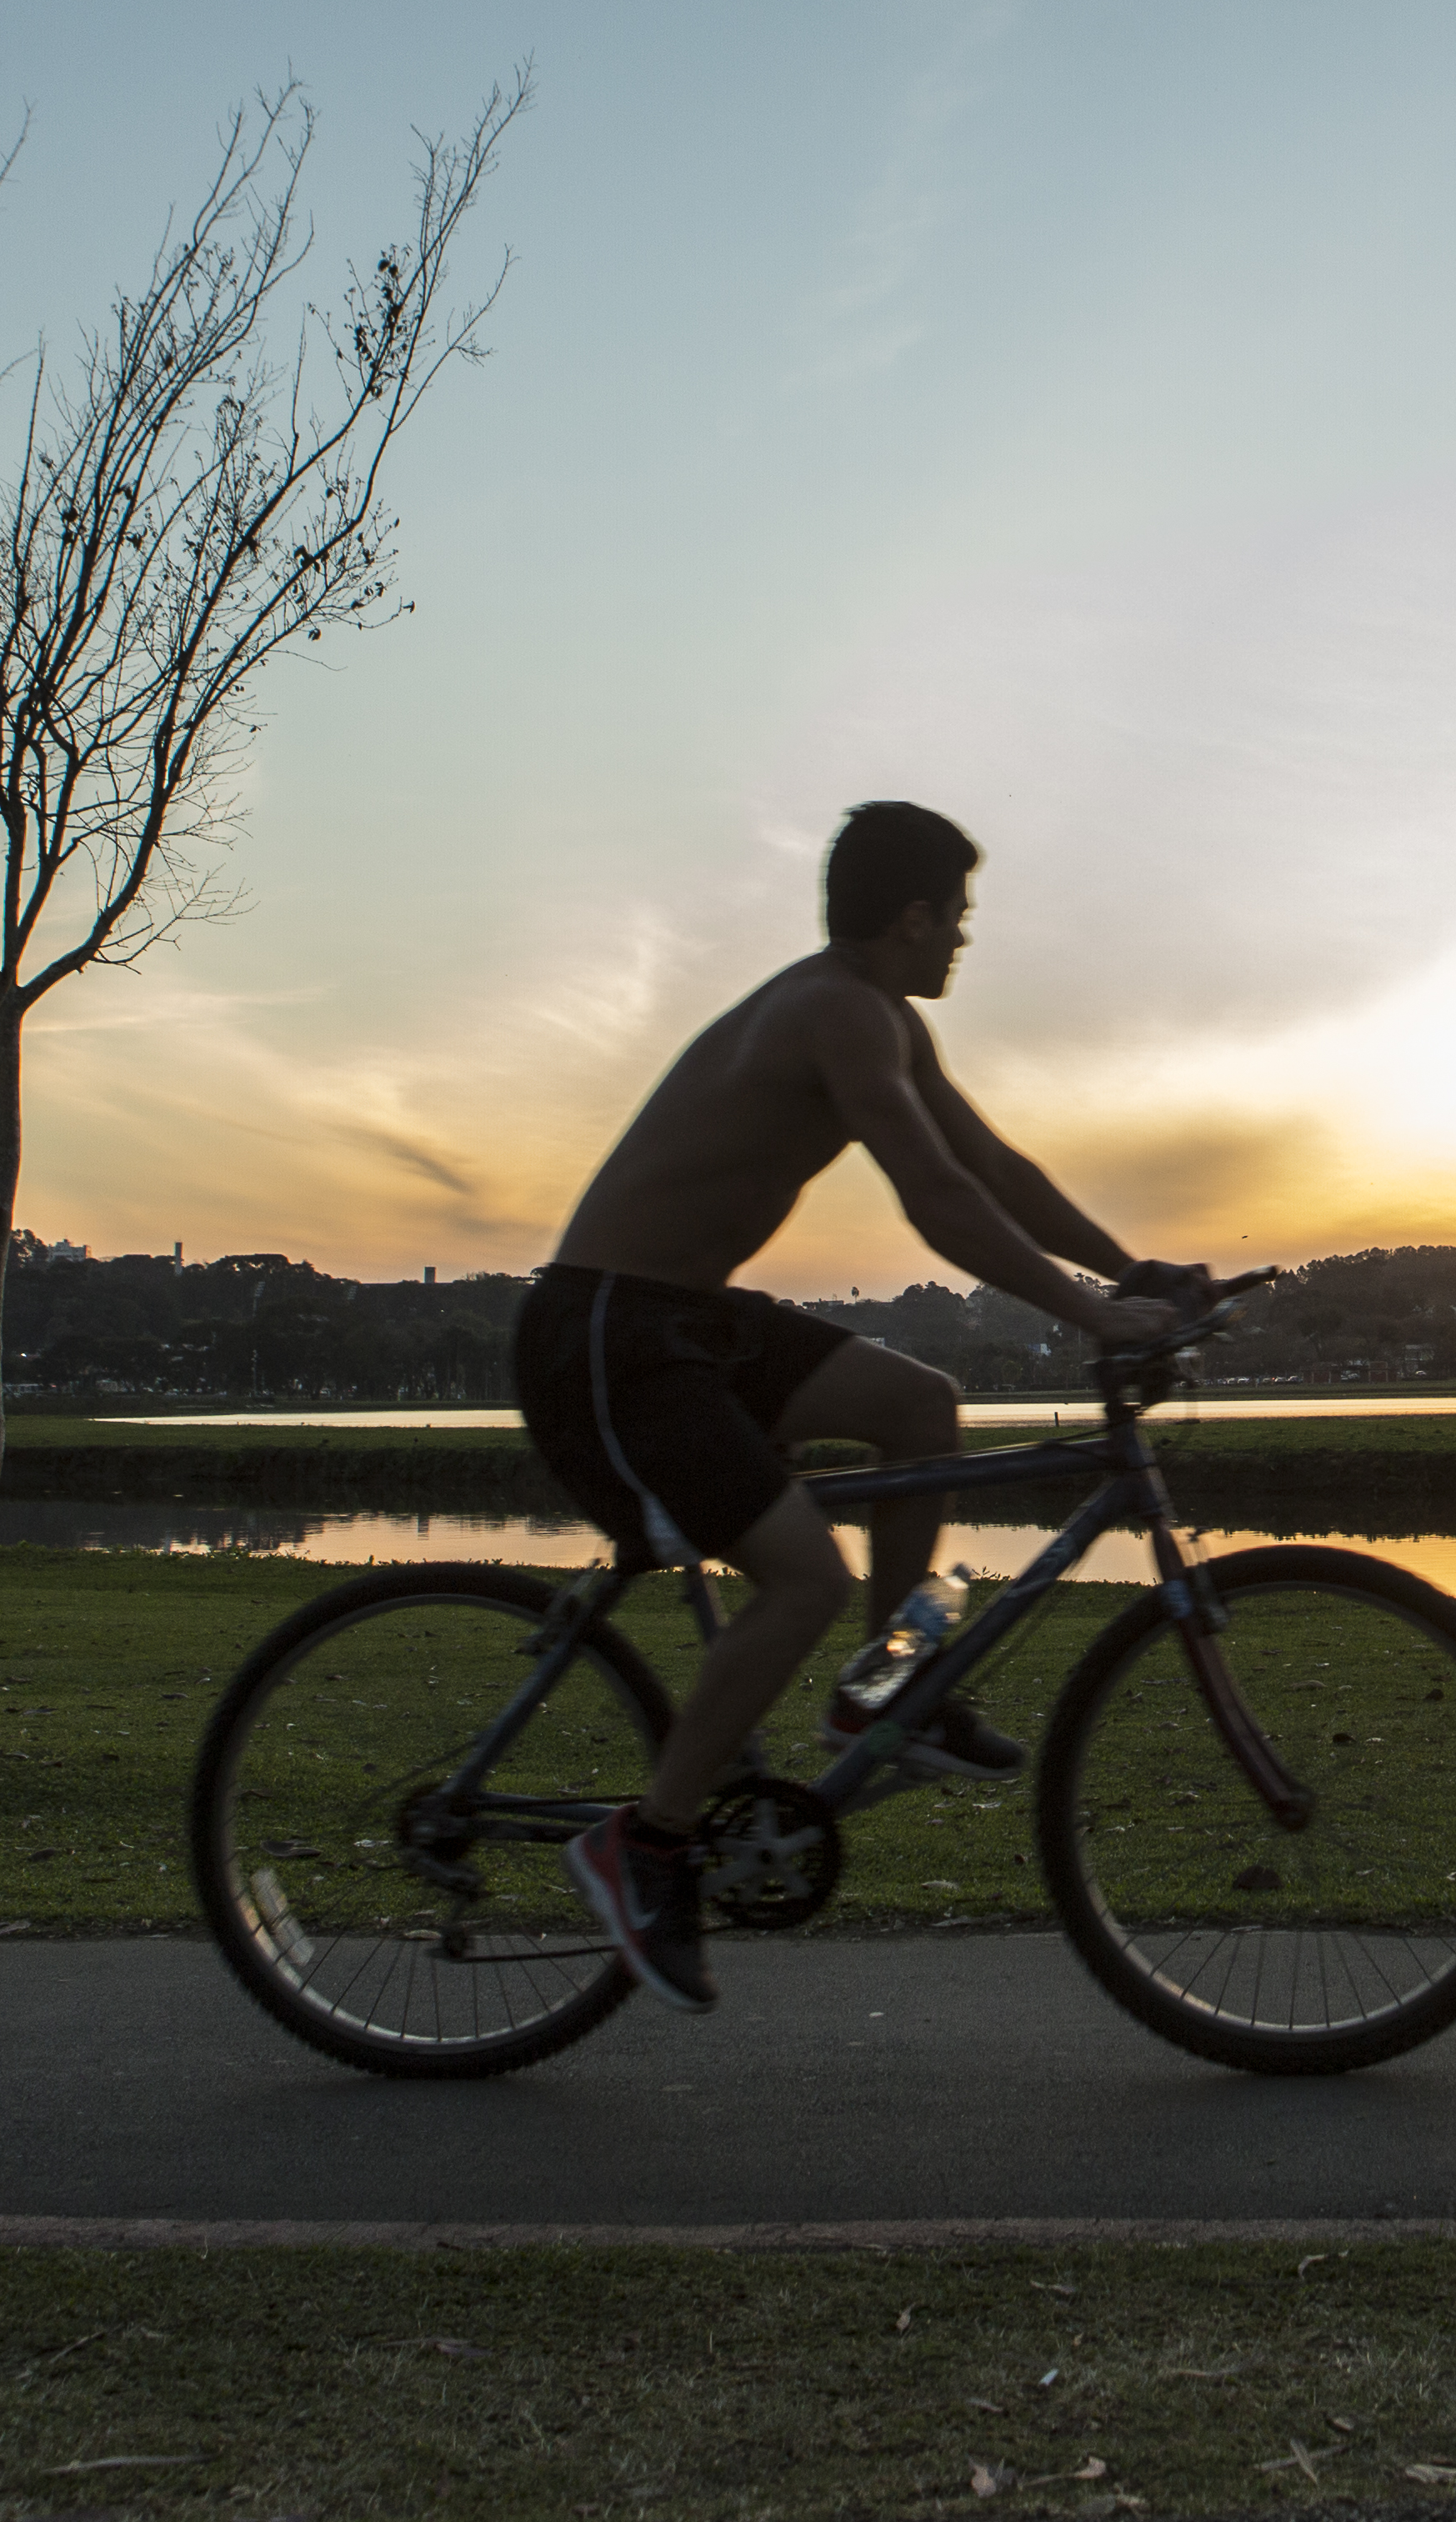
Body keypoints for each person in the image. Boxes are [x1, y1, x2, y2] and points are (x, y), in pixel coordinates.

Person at [526, 800, 1183, 2014]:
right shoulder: (836, 1010)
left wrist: (1134, 1273)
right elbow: (936, 1198)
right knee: (803, 1580)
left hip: (688, 1323)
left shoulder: (884, 1017)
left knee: (922, 1407)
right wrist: (1091, 1316)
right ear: (912, 916)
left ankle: (887, 1691)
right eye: (959, 917)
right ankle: (646, 1844)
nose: (966, 939)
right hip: (609, 1334)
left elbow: (995, 1169)